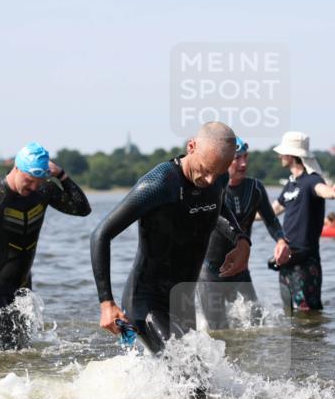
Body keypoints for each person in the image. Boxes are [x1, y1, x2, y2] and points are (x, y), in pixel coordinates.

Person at [90, 122, 251, 352]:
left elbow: (217, 207)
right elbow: (101, 235)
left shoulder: (218, 178)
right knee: (188, 370)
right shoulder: (159, 184)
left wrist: (241, 240)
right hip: (146, 302)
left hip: (182, 302)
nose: (210, 181)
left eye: (218, 173)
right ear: (191, 146)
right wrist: (106, 303)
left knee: (196, 371)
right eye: (206, 170)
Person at [0, 142, 90, 349]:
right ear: (16, 168)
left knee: (22, 350)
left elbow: (82, 209)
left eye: (38, 182)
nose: (33, 187)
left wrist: (62, 175)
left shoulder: (44, 190)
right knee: (3, 348)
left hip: (21, 283)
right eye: (29, 180)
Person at [197, 137, 291, 329]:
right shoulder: (210, 189)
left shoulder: (255, 188)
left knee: (256, 325)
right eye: (237, 158)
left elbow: (271, 220)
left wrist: (281, 240)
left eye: (246, 157)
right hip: (210, 273)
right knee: (219, 330)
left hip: (240, 271)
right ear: (224, 160)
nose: (243, 163)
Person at [270, 131, 335, 313]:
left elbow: (322, 189)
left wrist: (333, 193)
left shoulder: (311, 180)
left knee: (308, 313)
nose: (279, 156)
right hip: (286, 257)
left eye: (282, 153)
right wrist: (242, 213)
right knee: (289, 312)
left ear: (291, 155)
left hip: (306, 260)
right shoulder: (290, 185)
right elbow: (271, 212)